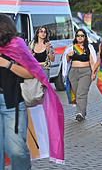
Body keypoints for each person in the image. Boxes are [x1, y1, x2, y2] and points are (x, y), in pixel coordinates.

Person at [0, 14, 64, 169]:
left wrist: (6, 64)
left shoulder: (17, 46)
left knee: (16, 150)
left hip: (12, 103)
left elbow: (31, 72)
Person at [62, 29, 97, 121]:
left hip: (85, 72)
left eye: (82, 35)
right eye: (78, 35)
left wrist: (93, 73)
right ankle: (82, 111)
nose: (80, 37)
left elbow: (92, 62)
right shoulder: (71, 47)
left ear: (85, 37)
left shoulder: (89, 47)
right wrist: (68, 55)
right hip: (73, 72)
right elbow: (66, 61)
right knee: (77, 93)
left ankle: (80, 113)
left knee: (82, 93)